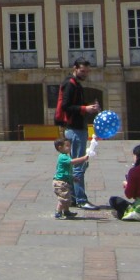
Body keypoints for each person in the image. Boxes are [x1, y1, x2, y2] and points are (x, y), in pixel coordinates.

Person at [60, 59, 101, 210]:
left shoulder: (76, 84)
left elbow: (75, 106)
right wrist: (85, 109)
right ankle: (81, 200)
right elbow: (66, 106)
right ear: (75, 68)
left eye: (87, 71)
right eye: (83, 71)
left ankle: (72, 198)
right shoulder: (70, 84)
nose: (85, 74)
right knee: (79, 165)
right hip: (75, 129)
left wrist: (89, 107)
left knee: (76, 165)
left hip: (77, 129)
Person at [53, 137, 90, 219]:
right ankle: (58, 212)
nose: (70, 148)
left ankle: (66, 211)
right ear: (60, 147)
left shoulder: (65, 156)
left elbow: (67, 172)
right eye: (67, 146)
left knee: (68, 198)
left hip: (64, 181)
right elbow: (72, 162)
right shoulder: (63, 157)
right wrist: (83, 158)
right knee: (63, 199)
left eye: (70, 146)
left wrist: (73, 178)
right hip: (60, 183)